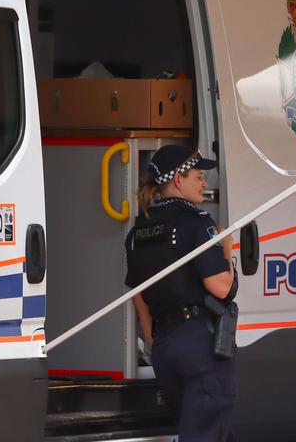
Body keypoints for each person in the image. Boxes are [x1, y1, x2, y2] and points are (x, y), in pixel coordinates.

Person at [125, 144, 237, 441]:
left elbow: (138, 294)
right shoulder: (196, 223)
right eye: (198, 176)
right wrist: (228, 251)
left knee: (195, 429)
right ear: (178, 180)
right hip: (199, 344)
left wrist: (152, 338)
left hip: (165, 346)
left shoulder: (138, 231)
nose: (204, 183)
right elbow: (221, 287)